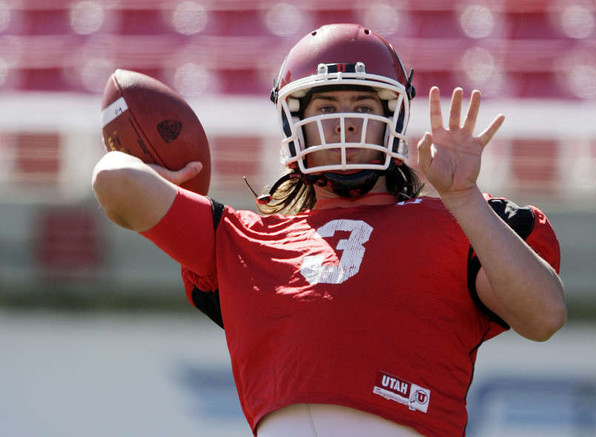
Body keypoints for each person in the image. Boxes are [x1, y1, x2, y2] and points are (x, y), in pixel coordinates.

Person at [92, 23, 566, 437]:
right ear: (293, 123)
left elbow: (544, 316)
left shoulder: (460, 220)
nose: (344, 124)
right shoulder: (244, 239)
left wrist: (463, 198)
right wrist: (186, 184)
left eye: (362, 104)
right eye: (325, 110)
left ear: (392, 120)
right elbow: (113, 179)